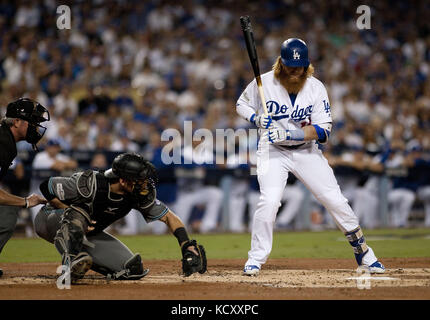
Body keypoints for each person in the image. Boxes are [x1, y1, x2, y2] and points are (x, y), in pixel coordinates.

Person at [235, 38, 385, 276]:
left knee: (335, 200)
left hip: (306, 151)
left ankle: (364, 253)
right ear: (281, 64)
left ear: (307, 65)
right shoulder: (263, 82)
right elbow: (241, 104)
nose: (296, 71)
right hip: (273, 151)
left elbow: (323, 129)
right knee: (270, 201)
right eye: (291, 66)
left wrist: (290, 132)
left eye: (300, 66)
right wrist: (256, 118)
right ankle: (256, 258)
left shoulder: (315, 87)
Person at [33, 152, 207, 284]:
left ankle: (81, 257)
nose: (144, 184)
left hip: (88, 234)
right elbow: (46, 186)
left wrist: (186, 245)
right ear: (123, 181)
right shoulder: (91, 183)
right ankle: (69, 264)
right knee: (80, 212)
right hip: (50, 221)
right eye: (140, 180)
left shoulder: (136, 195)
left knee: (132, 268)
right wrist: (66, 209)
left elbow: (169, 217)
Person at [0, 97, 50, 277]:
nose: (36, 127)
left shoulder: (5, 139)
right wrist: (26, 202)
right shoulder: (3, 143)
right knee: (7, 212)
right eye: (32, 122)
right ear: (17, 121)